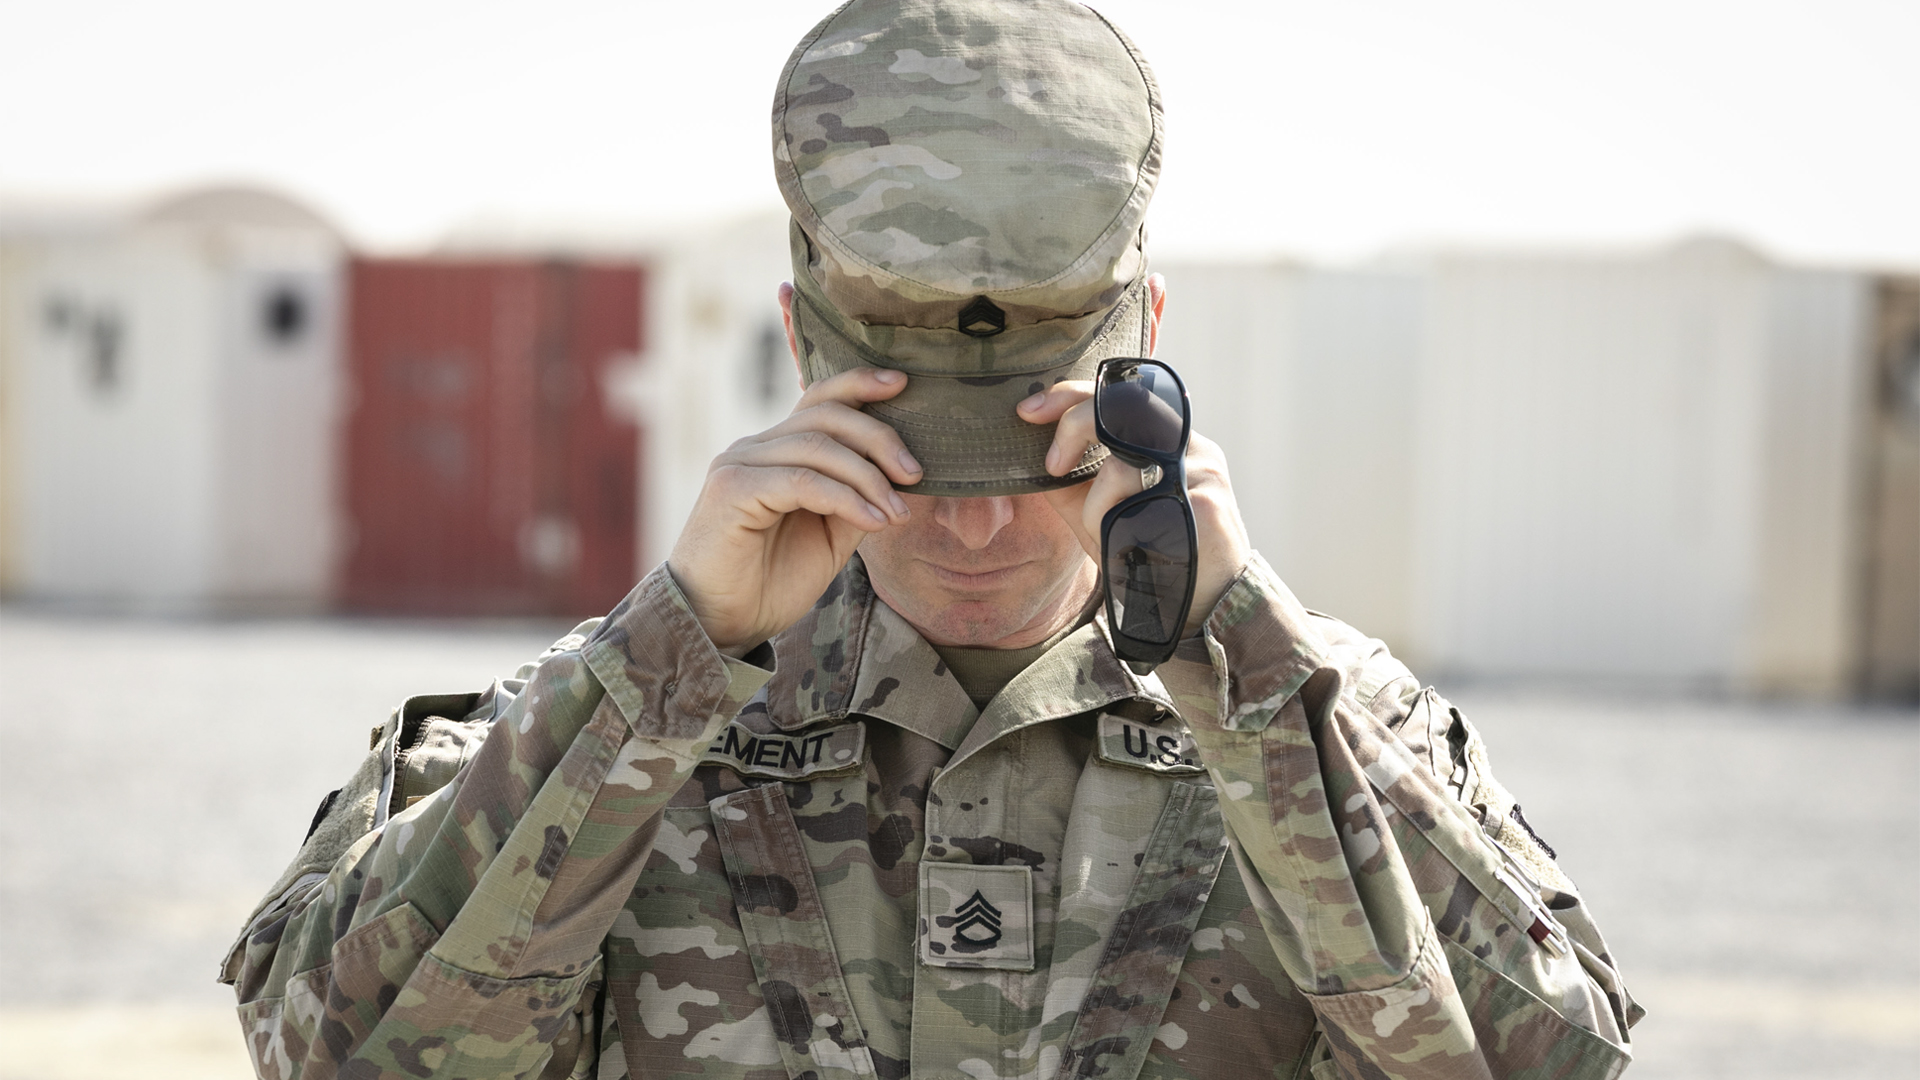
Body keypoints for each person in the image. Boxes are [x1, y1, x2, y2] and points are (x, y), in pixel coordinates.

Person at [222, 2, 1641, 1077]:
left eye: (1030, 461)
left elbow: (1560, 1056)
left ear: (1146, 348)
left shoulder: (1316, 726)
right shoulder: (618, 727)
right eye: (915, 459)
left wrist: (1250, 675)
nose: (969, 520)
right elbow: (329, 1049)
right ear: (797, 346)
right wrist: (668, 663)